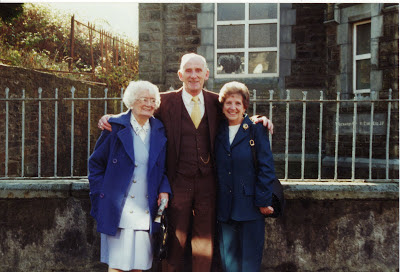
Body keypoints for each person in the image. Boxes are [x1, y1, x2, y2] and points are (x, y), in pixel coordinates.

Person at [97, 53, 273, 272]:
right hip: (177, 182)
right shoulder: (164, 101)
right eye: (188, 70)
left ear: (206, 74)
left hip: (208, 184)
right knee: (174, 241)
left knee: (204, 242)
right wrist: (113, 118)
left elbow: (236, 113)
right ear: (180, 74)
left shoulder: (215, 101)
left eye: (198, 70)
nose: (193, 75)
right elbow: (139, 110)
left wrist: (257, 120)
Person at [88, 80, 172, 272]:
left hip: (146, 207)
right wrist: (102, 194)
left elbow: (163, 168)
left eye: (153, 100)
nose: (149, 104)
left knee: (139, 266)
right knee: (117, 265)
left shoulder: (159, 129)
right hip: (119, 209)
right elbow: (95, 164)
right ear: (132, 101)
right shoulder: (115, 126)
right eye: (144, 99)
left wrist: (164, 190)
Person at [215, 81, 276, 272]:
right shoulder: (218, 130)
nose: (232, 108)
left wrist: (264, 200)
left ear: (245, 106)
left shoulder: (256, 129)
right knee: (229, 263)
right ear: (222, 105)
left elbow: (266, 167)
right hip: (224, 207)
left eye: (237, 103)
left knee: (249, 263)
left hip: (251, 207)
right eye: (228, 103)